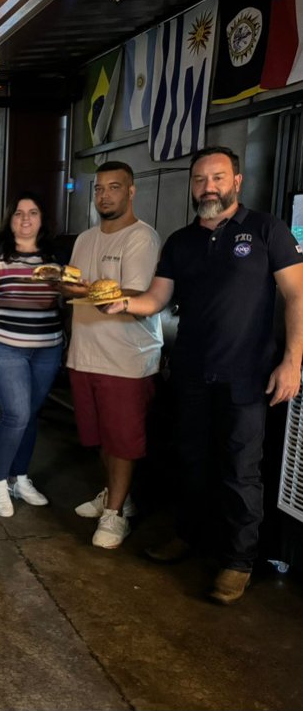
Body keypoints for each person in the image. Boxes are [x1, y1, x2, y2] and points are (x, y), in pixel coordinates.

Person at [101, 146, 303, 603]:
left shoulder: (266, 229)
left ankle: (238, 561)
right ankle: (188, 536)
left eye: (217, 178)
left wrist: (292, 361)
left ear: (237, 182)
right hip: (191, 373)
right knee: (191, 461)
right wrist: (123, 303)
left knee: (240, 471)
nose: (208, 187)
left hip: (247, 376)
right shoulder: (180, 241)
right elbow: (156, 299)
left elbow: (297, 296)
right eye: (199, 179)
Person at [65, 162, 163, 549]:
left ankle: (115, 514)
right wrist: (68, 286)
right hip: (84, 353)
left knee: (123, 442)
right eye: (99, 188)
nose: (104, 196)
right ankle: (116, 495)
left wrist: (85, 290)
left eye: (114, 187)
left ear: (131, 191)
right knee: (101, 438)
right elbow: (71, 286)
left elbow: (135, 296)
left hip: (126, 360)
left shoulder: (142, 238)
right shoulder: (85, 238)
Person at [0, 193, 62, 517]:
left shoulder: (53, 255)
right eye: (19, 213)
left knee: (30, 414)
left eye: (33, 212)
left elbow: (69, 289)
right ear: (9, 219)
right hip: (2, 345)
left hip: (47, 347)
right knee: (16, 414)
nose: (26, 219)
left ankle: (19, 478)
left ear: (42, 219)